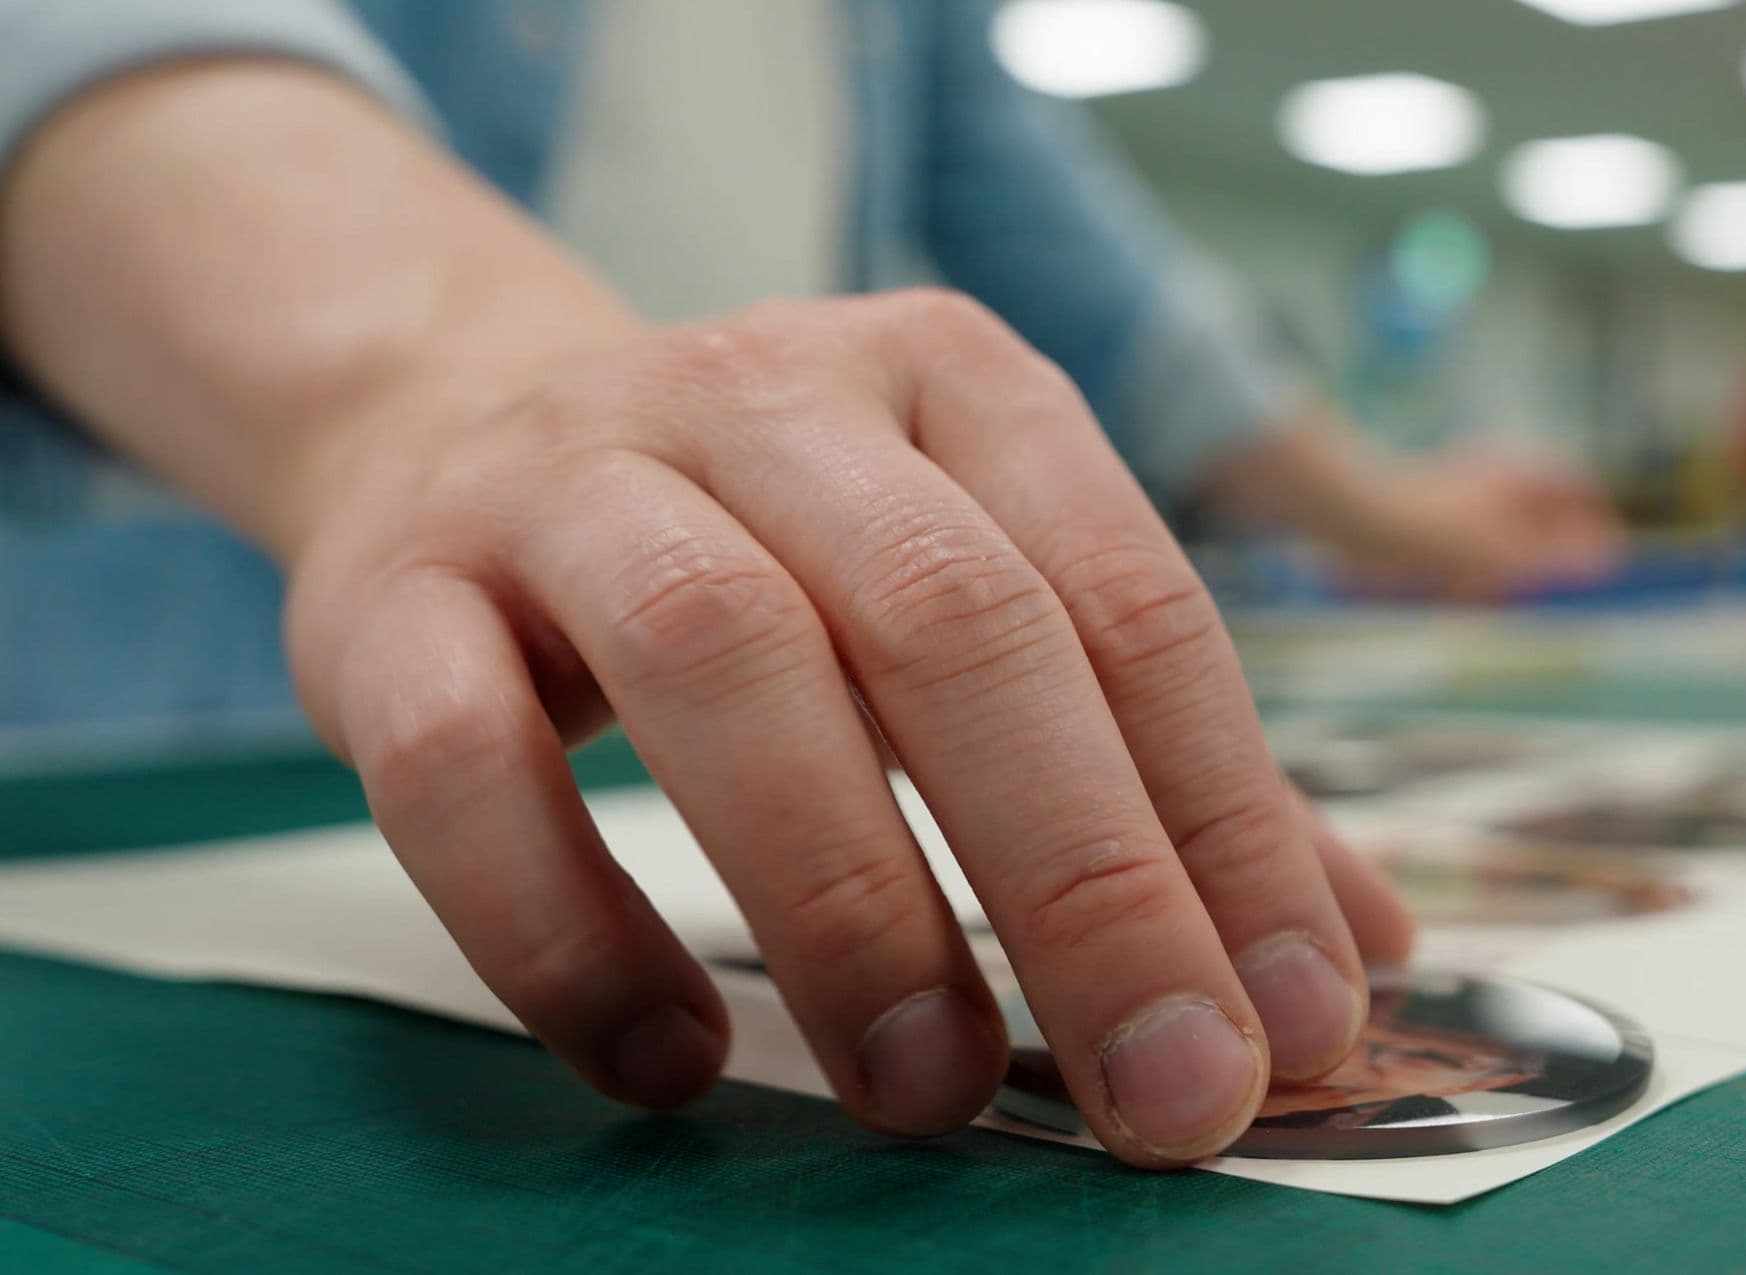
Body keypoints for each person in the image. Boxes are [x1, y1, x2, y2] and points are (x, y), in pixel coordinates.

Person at [0, 0, 1627, 1167]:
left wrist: (1408, 513)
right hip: (180, 748)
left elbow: (1113, 295)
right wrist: (428, 391)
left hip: (752, 723)